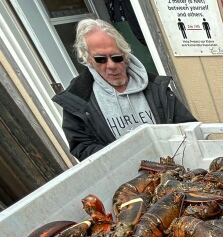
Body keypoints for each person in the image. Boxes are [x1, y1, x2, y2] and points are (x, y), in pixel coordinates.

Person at [53, 19, 196, 161]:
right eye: (100, 59)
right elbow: (81, 147)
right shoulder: (77, 99)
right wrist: (123, 156)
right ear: (88, 59)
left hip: (174, 165)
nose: (111, 65)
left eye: (116, 57)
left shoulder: (156, 87)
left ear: (125, 55)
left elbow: (189, 127)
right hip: (126, 176)